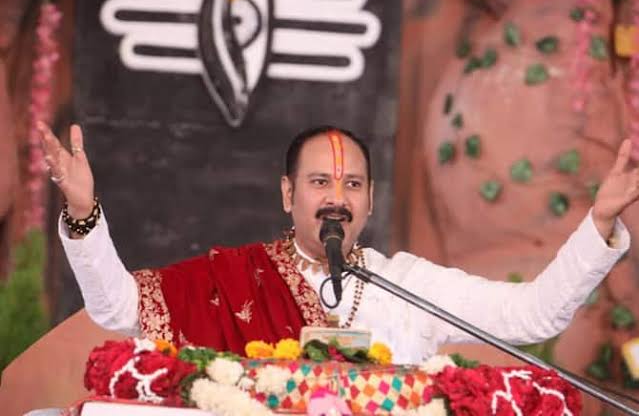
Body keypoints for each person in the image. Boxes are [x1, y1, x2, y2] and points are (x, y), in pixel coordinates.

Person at [38, 122, 637, 364]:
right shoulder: (235, 280)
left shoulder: (407, 284)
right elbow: (119, 309)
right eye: (319, 182)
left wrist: (600, 222)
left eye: (352, 185)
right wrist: (84, 213)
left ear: (370, 199)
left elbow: (533, 315)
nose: (336, 198)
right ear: (287, 194)